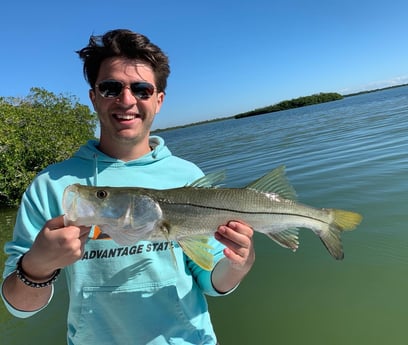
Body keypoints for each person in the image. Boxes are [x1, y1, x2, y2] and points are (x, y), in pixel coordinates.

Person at [1, 29, 255, 345]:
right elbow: (20, 308)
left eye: (141, 89)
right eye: (110, 88)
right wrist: (36, 267)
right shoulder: (52, 186)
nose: (126, 100)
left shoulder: (187, 175)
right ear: (93, 97)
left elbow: (210, 280)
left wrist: (239, 264)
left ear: (159, 100)